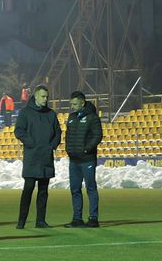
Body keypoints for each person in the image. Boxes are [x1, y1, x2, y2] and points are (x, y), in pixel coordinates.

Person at [14, 85, 61, 229]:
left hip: (46, 157)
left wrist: (51, 146)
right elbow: (19, 131)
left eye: (47, 96)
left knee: (43, 191)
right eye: (43, 96)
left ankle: (40, 221)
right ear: (35, 96)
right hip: (32, 157)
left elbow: (58, 133)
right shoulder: (25, 112)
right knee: (28, 189)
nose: (45, 99)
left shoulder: (51, 114)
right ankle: (21, 221)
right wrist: (31, 143)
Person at [63, 91, 102, 228]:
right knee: (75, 189)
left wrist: (86, 149)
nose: (72, 106)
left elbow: (98, 136)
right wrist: (69, 149)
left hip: (87, 160)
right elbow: (68, 136)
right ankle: (77, 219)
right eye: (71, 104)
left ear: (82, 102)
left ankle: (93, 218)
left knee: (90, 188)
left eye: (74, 104)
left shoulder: (92, 118)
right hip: (73, 160)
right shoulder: (72, 117)